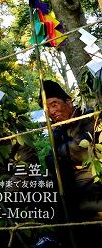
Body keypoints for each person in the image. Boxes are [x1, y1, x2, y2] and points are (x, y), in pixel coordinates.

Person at [42, 80, 102, 218]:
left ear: (68, 102)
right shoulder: (57, 131)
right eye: (47, 108)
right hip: (72, 185)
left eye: (54, 104)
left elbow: (83, 148)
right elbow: (52, 161)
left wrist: (60, 153)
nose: (51, 111)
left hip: (93, 181)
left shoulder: (90, 118)